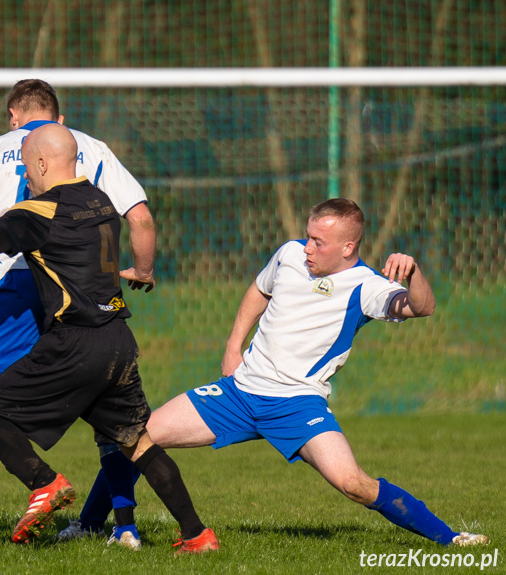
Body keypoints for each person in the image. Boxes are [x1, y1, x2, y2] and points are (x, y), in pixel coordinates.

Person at [0, 122, 220, 555]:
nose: (26, 176)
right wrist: (5, 222)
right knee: (138, 443)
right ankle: (198, 534)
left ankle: (44, 483)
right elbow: (51, 240)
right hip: (118, 341)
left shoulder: (38, 212)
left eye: (28, 167)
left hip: (74, 343)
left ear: (44, 162)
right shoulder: (101, 201)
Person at [66, 198, 490, 548]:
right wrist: (234, 345)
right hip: (238, 393)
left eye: (318, 241)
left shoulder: (367, 286)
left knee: (354, 484)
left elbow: (422, 306)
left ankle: (451, 539)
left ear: (348, 247)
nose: (307, 246)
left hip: (297, 405)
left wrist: (413, 272)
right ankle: (92, 524)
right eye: (307, 236)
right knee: (137, 436)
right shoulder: (289, 255)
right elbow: (259, 291)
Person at [0, 79, 155, 547]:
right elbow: (139, 217)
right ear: (59, 118)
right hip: (84, 288)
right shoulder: (88, 147)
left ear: (14, 116)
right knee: (113, 410)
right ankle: (127, 527)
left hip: (19, 284)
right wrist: (142, 269)